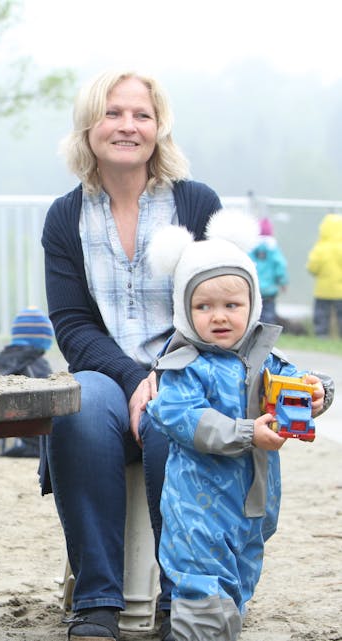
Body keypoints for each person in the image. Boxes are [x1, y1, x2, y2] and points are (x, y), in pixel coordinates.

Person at [40, 69, 222, 641]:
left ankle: (182, 602)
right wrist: (130, 376)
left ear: (159, 127)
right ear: (89, 126)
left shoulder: (196, 204)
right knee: (81, 408)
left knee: (175, 416)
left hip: (185, 370)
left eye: (141, 115)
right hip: (103, 375)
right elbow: (71, 324)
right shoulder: (64, 217)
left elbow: (216, 309)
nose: (128, 126)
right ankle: (96, 602)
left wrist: (162, 376)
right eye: (113, 113)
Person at [145, 208, 331, 640]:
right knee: (203, 597)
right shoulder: (185, 366)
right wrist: (247, 432)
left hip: (254, 506)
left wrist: (317, 393)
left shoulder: (268, 357)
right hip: (199, 508)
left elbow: (294, 392)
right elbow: (179, 415)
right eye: (204, 306)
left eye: (232, 305)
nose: (220, 317)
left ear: (253, 305)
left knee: (237, 591)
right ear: (184, 309)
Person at [0, 306, 53, 457]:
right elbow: (47, 399)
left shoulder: (0, 360)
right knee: (44, 439)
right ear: (44, 338)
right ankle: (17, 442)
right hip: (25, 423)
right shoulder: (37, 364)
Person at [306, 212, 342, 337]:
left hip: (323, 290)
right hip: (340, 290)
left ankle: (321, 336)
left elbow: (312, 267)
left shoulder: (320, 248)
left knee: (321, 315)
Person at [250, 217, 289, 325]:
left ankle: (254, 333)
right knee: (268, 313)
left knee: (254, 313)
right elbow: (280, 266)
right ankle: (267, 334)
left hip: (254, 287)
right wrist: (283, 282)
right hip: (269, 290)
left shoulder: (251, 247)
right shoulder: (273, 248)